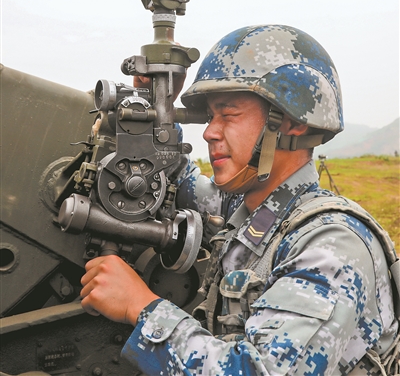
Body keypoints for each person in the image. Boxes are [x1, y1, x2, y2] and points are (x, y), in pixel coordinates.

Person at [80, 25, 398, 375]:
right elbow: (176, 180)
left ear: (290, 122)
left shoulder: (331, 245)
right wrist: (157, 106)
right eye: (210, 117)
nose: (209, 132)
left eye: (228, 115)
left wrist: (140, 307)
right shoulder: (249, 212)